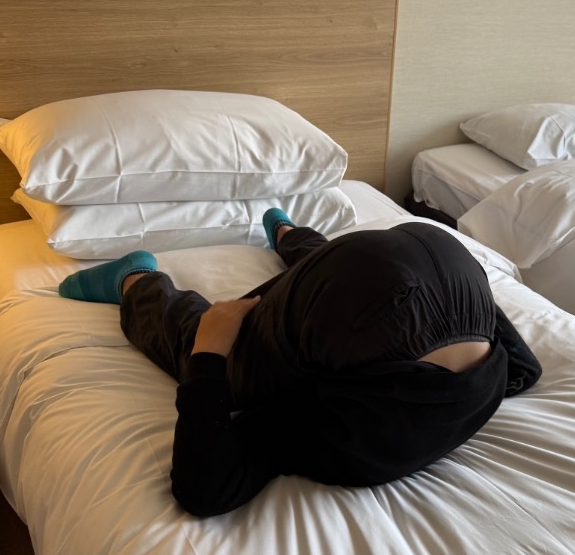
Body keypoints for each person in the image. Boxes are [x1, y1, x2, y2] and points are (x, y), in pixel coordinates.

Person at [59, 209, 542, 517]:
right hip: (401, 269)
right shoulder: (347, 430)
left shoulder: (492, 380)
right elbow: (205, 492)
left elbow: (203, 489)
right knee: (234, 334)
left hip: (436, 258)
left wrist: (208, 353)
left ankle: (278, 239)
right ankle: (151, 273)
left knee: (210, 333)